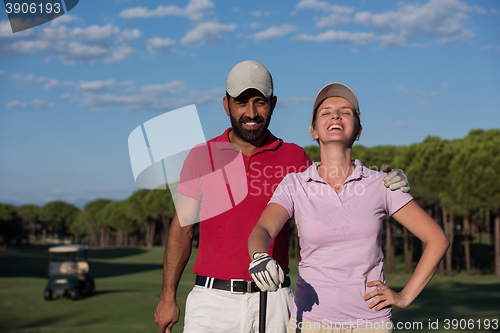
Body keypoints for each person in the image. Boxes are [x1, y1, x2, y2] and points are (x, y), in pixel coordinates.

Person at [154, 62, 410, 333]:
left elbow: (339, 190)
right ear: (226, 105)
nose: (251, 112)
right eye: (241, 102)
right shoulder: (201, 156)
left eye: (260, 102)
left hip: (276, 302)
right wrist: (167, 297)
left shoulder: (294, 158)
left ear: (273, 104)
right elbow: (181, 230)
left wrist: (383, 181)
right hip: (212, 301)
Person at [248, 82, 449, 333]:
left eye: (345, 111)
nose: (335, 115)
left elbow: (437, 239)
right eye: (326, 111)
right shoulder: (294, 184)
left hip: (371, 324)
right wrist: (259, 256)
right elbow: (263, 229)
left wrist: (405, 296)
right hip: (310, 322)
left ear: (358, 131)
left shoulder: (381, 183)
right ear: (313, 131)